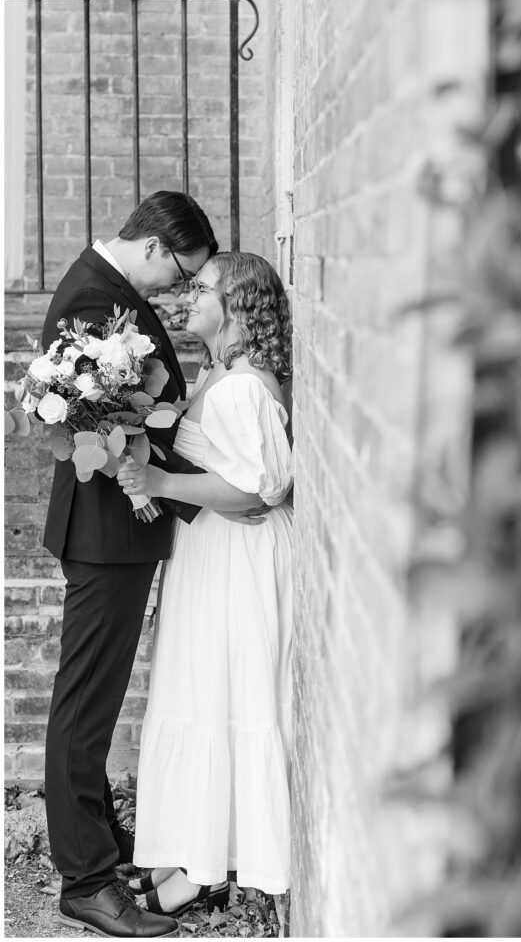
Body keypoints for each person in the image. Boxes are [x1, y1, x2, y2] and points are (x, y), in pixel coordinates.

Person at [42, 192, 261, 938]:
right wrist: (188, 490)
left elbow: (132, 413)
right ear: (159, 247)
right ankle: (86, 881)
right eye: (182, 275)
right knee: (85, 707)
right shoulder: (94, 300)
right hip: (107, 532)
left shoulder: (107, 293)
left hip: (123, 531)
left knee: (94, 704)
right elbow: (86, 424)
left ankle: (101, 850)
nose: (175, 293)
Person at [116, 251, 293, 916]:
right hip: (211, 552)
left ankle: (207, 870)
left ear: (240, 310)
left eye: (205, 288)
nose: (190, 296)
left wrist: (161, 483)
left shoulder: (246, 386)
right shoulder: (216, 371)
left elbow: (257, 489)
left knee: (227, 695)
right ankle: (197, 856)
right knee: (200, 691)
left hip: (239, 561)